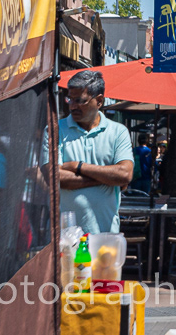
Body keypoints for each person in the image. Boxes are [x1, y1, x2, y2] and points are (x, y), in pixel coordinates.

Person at [58, 69, 135, 234]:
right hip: (66, 238)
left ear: (99, 101)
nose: (72, 106)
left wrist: (78, 166)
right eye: (69, 99)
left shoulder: (118, 132)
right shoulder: (56, 131)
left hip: (106, 235)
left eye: (79, 100)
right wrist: (107, 179)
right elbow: (55, 178)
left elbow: (124, 175)